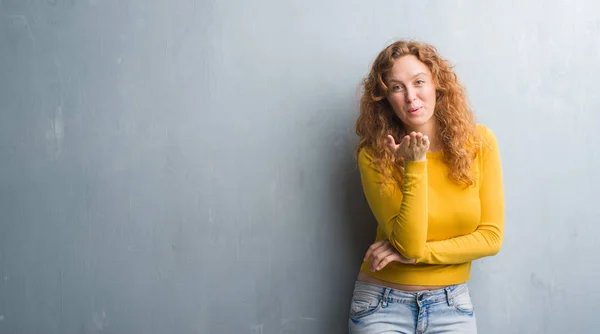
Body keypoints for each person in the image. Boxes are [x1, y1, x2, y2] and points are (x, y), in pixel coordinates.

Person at [348, 40, 504, 333]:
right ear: (385, 98)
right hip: (382, 306)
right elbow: (409, 242)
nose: (411, 96)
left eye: (419, 82)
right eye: (396, 87)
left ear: (437, 83)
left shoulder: (481, 143)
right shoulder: (374, 154)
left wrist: (419, 254)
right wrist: (415, 164)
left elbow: (491, 238)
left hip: (452, 306)